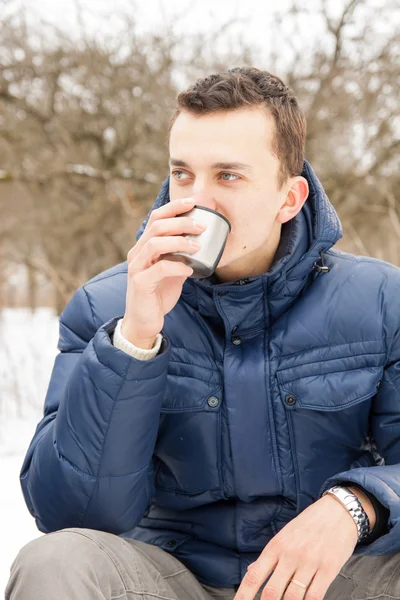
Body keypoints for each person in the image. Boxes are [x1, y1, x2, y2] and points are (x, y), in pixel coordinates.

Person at [6, 67, 400, 600]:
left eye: (228, 176)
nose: (198, 199)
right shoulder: (108, 305)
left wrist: (356, 506)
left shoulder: (381, 300)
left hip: (334, 579)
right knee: (55, 562)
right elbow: (70, 512)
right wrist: (135, 338)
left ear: (290, 198)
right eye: (183, 175)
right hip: (174, 578)